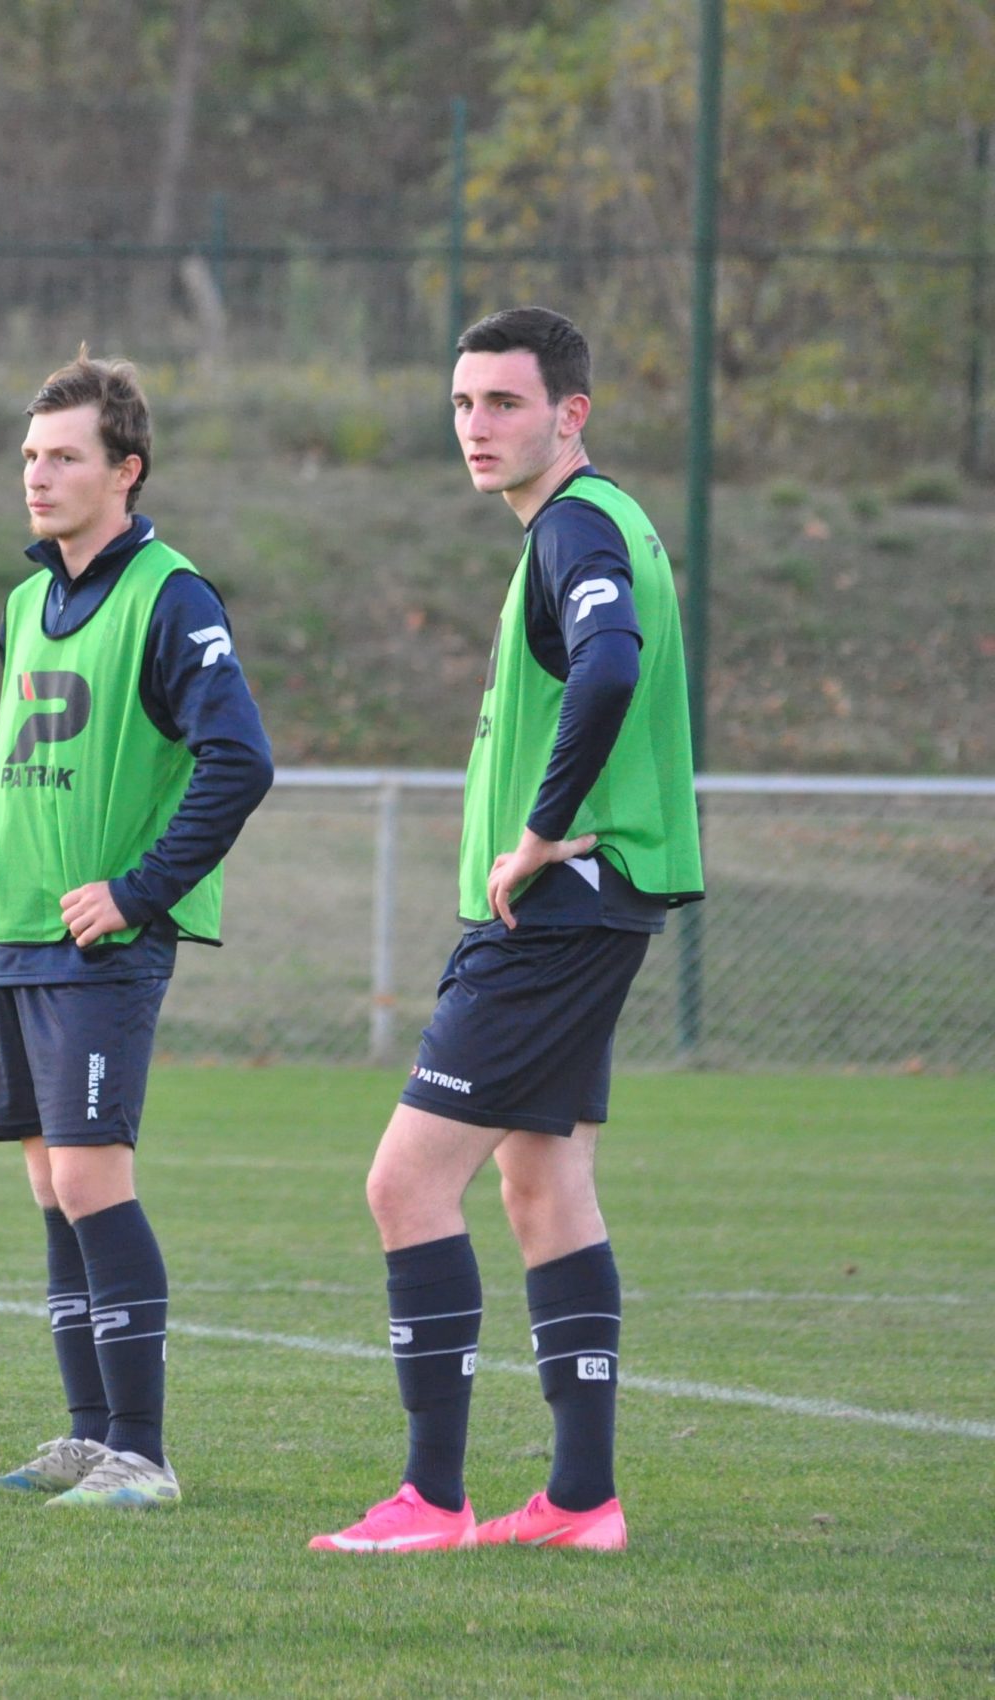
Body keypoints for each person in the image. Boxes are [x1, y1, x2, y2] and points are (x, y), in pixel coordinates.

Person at [310, 306, 701, 1554]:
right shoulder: (597, 522)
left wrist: (537, 833)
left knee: (406, 1180)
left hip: (553, 912)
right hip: (598, 905)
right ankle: (581, 1501)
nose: (476, 426)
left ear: (569, 413)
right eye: (463, 403)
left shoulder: (578, 524)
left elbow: (607, 666)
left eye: (504, 403)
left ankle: (431, 1496)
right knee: (543, 1181)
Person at [0, 350, 273, 1511]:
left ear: (124, 470)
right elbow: (22, 754)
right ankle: (87, 1438)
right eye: (30, 455)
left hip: (101, 942)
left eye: (64, 456)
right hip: (16, 931)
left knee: (91, 1176)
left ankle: (144, 1452)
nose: (37, 475)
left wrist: (137, 890)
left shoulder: (172, 595)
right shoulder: (28, 599)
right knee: (48, 1181)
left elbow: (241, 759)